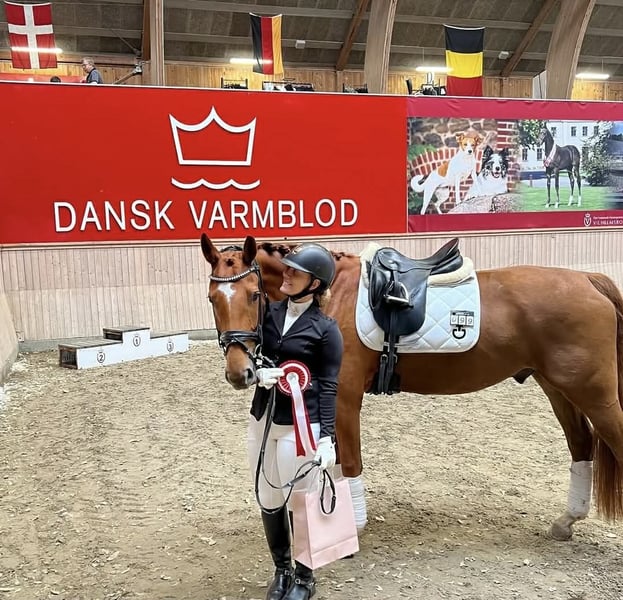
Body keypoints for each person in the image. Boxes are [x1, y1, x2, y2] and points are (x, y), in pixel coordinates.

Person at [249, 243, 343, 600]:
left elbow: (329, 385)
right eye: (286, 268)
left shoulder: (326, 329)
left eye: (295, 271)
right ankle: (282, 570)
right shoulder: (268, 313)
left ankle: (305, 577)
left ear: (314, 284)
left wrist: (327, 438)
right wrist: (258, 373)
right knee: (268, 496)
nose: (286, 274)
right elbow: (251, 353)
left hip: (301, 427)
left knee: (300, 501)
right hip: (263, 419)